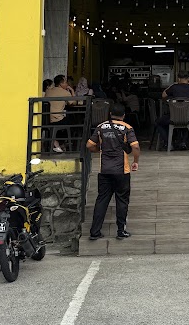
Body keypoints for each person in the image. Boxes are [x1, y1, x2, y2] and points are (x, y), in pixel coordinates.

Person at [87, 103, 140, 240]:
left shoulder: (101, 127)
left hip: (104, 170)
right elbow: (135, 146)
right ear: (123, 115)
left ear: (110, 114)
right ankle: (121, 231)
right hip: (122, 170)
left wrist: (99, 149)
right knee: (122, 200)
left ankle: (95, 232)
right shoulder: (127, 128)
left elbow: (89, 145)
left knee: (102, 200)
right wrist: (135, 161)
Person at [157, 71, 189, 149]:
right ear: (188, 79)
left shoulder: (174, 87)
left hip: (174, 117)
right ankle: (184, 142)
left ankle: (168, 143)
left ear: (178, 78)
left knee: (159, 122)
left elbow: (163, 95)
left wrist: (172, 85)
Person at [45, 74, 77, 153]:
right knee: (74, 122)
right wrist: (72, 90)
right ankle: (65, 144)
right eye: (65, 82)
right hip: (58, 119)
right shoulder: (65, 92)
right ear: (61, 84)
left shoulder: (48, 91)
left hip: (47, 119)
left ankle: (58, 143)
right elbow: (73, 103)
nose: (67, 84)